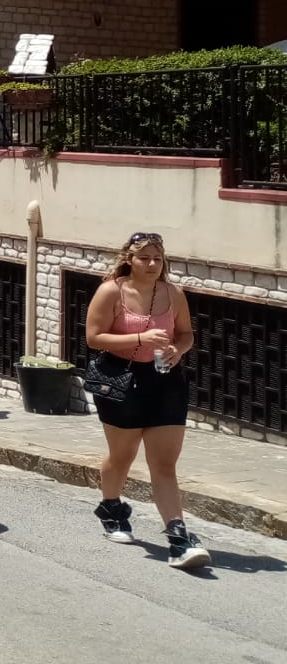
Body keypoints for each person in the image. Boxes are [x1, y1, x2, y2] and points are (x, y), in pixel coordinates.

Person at [85, 232, 209, 570]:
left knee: (164, 464)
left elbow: (186, 334)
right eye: (145, 258)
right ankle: (111, 507)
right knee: (122, 456)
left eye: (157, 258)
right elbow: (94, 337)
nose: (152, 264)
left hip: (166, 381)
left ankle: (178, 537)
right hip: (122, 380)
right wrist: (139, 337)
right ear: (130, 259)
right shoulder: (112, 290)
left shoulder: (174, 293)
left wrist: (176, 349)